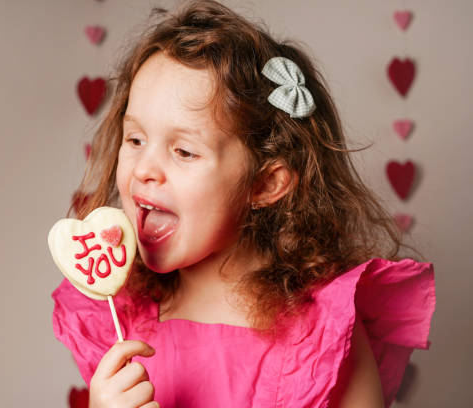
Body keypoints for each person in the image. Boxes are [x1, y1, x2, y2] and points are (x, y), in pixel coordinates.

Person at [51, 1, 436, 407]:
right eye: (135, 140)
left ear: (266, 183)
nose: (144, 168)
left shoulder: (322, 338)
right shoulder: (120, 320)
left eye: (183, 151)